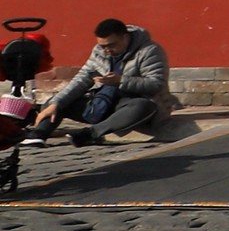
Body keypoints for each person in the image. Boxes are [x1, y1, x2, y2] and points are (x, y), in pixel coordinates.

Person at [28, 18, 173, 145]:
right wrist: (56, 103)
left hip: (131, 103)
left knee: (143, 106)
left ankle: (89, 134)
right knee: (56, 101)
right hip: (102, 102)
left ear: (125, 37)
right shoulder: (99, 51)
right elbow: (82, 79)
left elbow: (156, 84)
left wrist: (120, 81)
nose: (106, 50)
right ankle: (39, 135)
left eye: (111, 45)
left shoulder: (149, 51)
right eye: (103, 46)